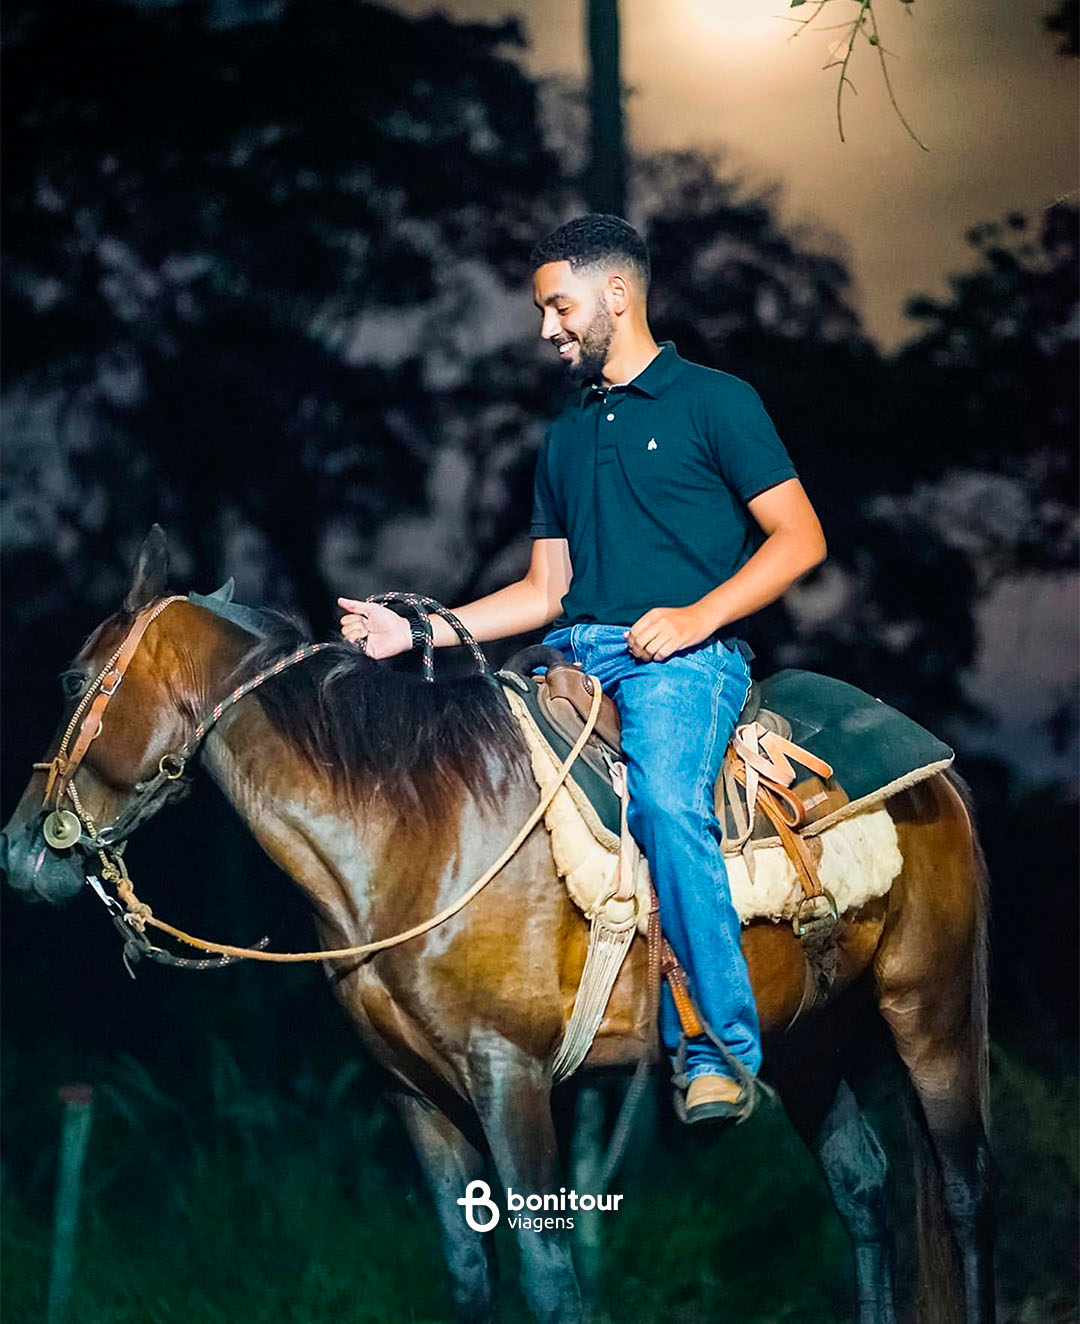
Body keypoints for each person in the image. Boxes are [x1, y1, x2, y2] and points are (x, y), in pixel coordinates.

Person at [339, 214, 826, 1125]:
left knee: (667, 801)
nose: (546, 329)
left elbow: (801, 539)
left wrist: (694, 617)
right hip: (572, 657)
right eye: (541, 311)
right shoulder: (565, 438)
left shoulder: (716, 402)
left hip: (688, 662)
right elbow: (543, 591)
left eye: (557, 306)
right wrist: (416, 632)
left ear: (616, 294)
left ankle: (718, 1049)